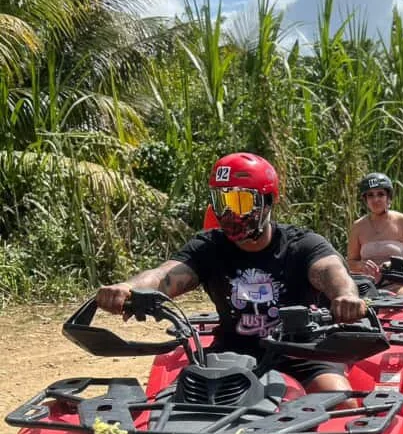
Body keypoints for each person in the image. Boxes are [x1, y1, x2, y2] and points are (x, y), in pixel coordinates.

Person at [96, 152, 365, 395]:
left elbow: (331, 270)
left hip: (300, 353)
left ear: (268, 201)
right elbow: (164, 275)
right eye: (220, 200)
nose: (228, 213)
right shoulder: (209, 246)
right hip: (231, 352)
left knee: (338, 401)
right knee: (172, 404)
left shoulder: (302, 244)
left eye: (240, 200)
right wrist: (128, 287)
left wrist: (345, 296)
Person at [347, 173, 403, 281]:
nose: (375, 199)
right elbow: (350, 262)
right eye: (370, 195)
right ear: (365, 200)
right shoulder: (358, 226)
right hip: (367, 285)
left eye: (380, 194)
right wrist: (361, 266)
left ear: (388, 197)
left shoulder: (402, 221)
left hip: (400, 281)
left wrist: (395, 264)